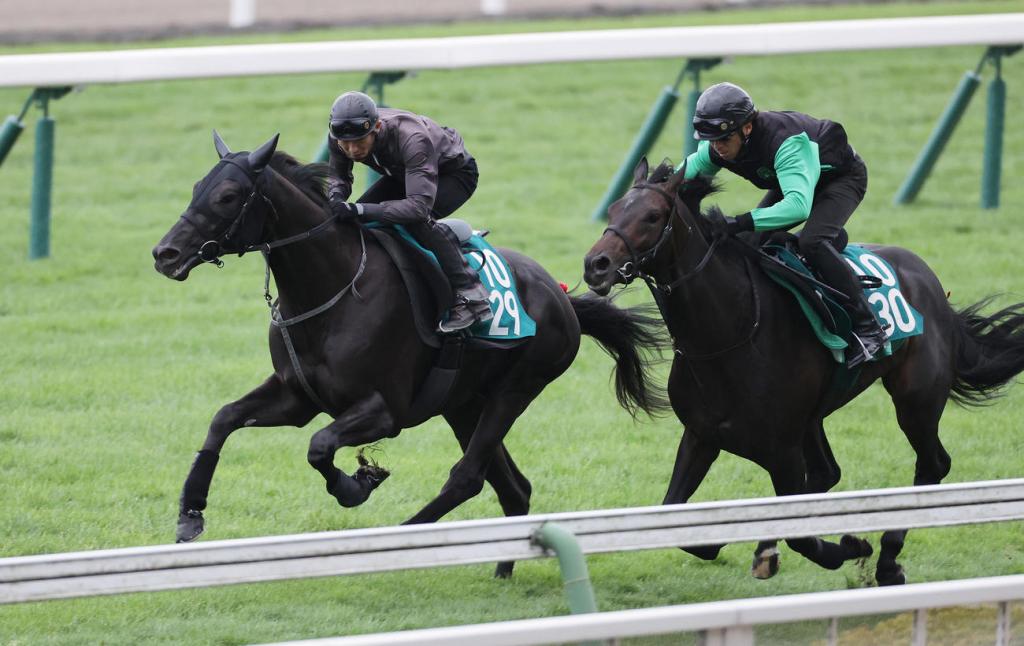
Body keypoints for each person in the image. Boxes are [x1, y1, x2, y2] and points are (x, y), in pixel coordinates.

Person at [678, 81, 888, 367]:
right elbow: (680, 177)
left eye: (723, 140)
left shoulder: (785, 143)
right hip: (793, 178)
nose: (717, 147)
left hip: (841, 180)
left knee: (812, 242)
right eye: (711, 140)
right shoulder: (719, 145)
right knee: (748, 243)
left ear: (747, 128)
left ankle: (869, 327)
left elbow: (797, 206)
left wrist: (738, 221)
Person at [325, 90, 492, 333]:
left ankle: (472, 295)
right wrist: (336, 198)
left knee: (415, 221)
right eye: (345, 144)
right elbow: (338, 177)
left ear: (377, 127)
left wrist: (359, 208)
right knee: (352, 222)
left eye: (359, 142)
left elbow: (417, 207)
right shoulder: (338, 135)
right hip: (404, 173)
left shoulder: (412, 138)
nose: (352, 150)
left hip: (453, 175)